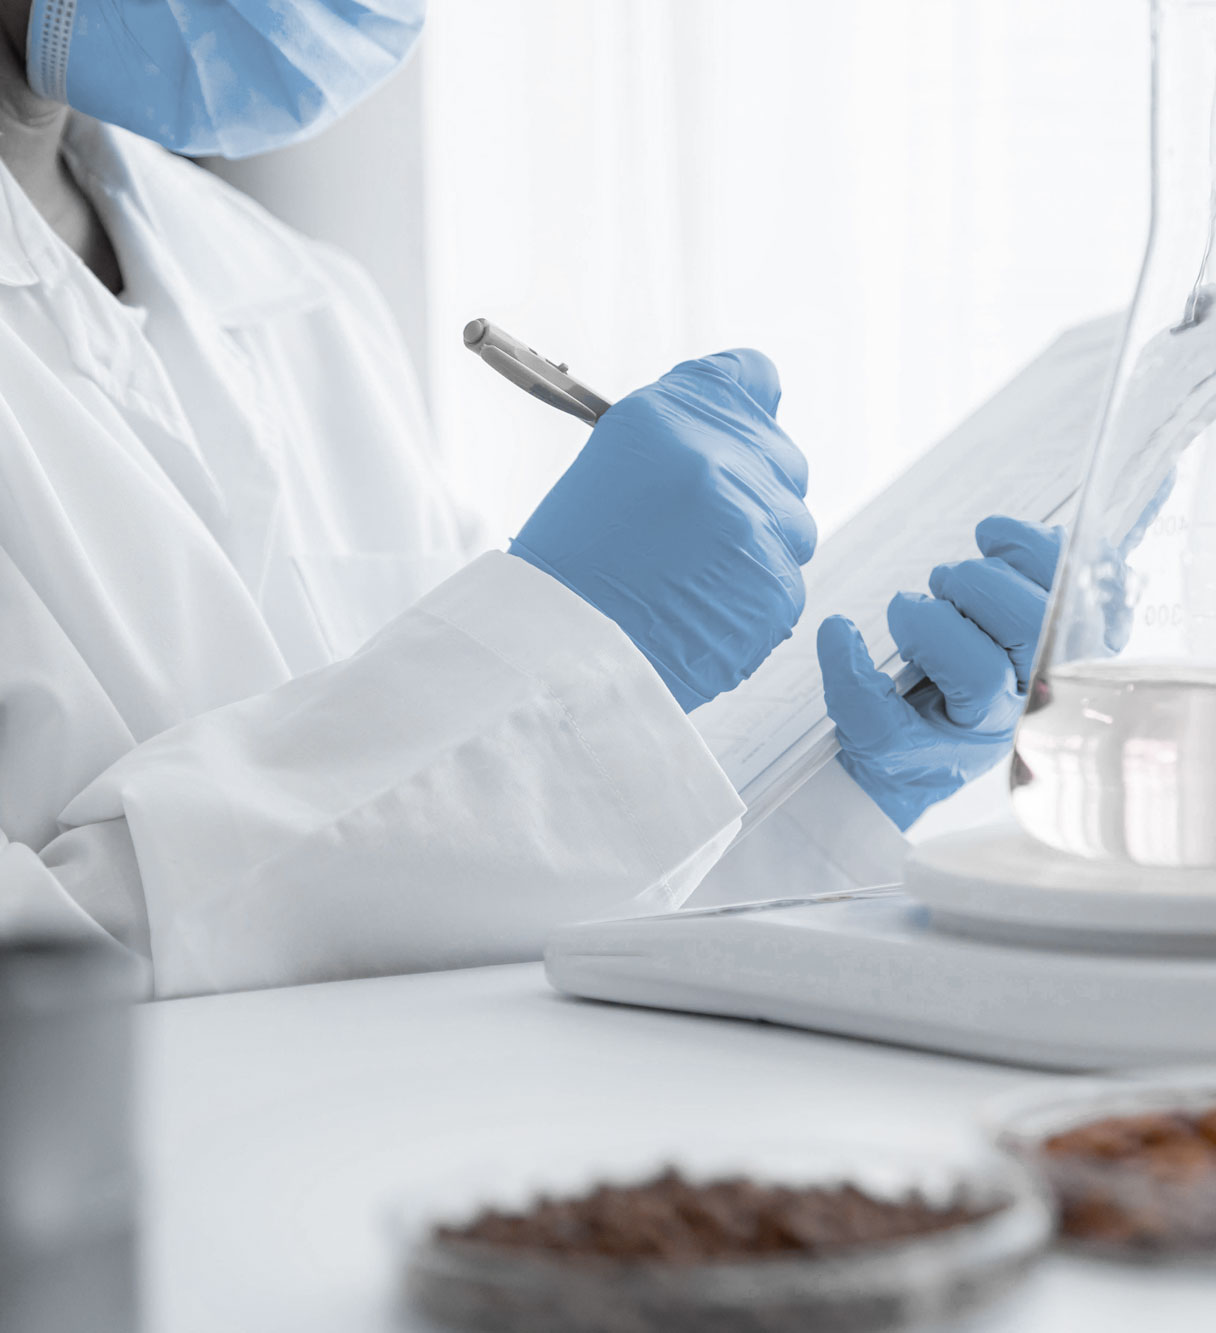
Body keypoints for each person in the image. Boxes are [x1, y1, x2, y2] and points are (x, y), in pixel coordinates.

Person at [0, 0, 1054, 996]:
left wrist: (829, 790)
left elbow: (459, 887)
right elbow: (44, 973)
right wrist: (550, 657)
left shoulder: (297, 297)